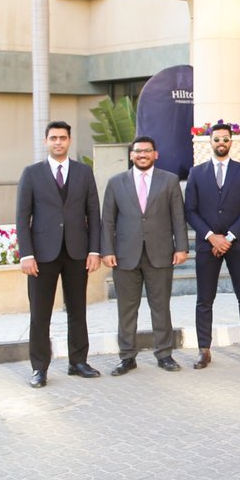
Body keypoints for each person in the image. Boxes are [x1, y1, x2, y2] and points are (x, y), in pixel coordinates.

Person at [15, 120, 102, 388]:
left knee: (77, 310)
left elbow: (93, 214)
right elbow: (22, 216)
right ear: (46, 141)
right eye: (53, 138)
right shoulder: (31, 173)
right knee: (40, 314)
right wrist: (26, 254)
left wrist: (94, 250)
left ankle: (78, 362)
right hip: (42, 255)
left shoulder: (84, 172)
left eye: (62, 138)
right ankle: (39, 368)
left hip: (77, 252)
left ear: (69, 140)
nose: (58, 142)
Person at [100, 136, 188, 376]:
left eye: (147, 151)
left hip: (160, 253)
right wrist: (107, 250)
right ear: (131, 155)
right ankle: (127, 357)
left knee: (161, 307)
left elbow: (178, 217)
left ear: (155, 154)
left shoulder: (169, 181)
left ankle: (165, 354)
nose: (142, 155)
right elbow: (107, 220)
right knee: (127, 309)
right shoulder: (116, 182)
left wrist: (181, 247)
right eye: (138, 151)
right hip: (125, 256)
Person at [184, 122, 240, 369]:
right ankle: (204, 350)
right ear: (210, 142)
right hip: (208, 245)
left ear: (231, 141)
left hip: (238, 244)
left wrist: (229, 237)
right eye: (217, 139)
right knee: (205, 299)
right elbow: (190, 210)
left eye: (225, 139)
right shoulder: (196, 173)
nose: (221, 143)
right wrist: (211, 237)